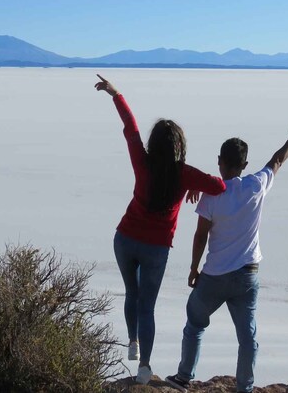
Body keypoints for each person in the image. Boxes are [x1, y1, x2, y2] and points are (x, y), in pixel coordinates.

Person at [94, 74, 227, 384]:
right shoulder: (184, 174)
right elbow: (219, 185)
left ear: (154, 145)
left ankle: (132, 340)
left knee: (132, 292)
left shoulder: (142, 161)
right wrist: (196, 187)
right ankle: (145, 367)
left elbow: (131, 128)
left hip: (125, 239)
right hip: (156, 249)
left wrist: (116, 93)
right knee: (147, 307)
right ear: (180, 147)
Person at [166, 115, 288, 393]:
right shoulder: (255, 185)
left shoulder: (212, 195)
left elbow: (200, 235)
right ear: (244, 165)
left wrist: (194, 268)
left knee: (195, 322)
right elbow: (277, 160)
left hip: (215, 275)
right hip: (247, 275)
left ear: (220, 161)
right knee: (247, 336)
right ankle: (245, 388)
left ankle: (184, 377)